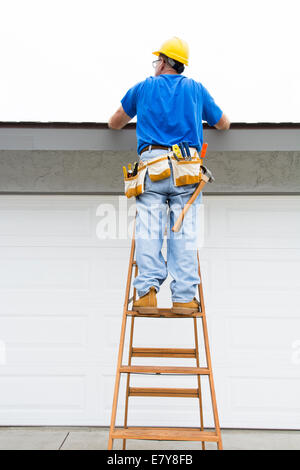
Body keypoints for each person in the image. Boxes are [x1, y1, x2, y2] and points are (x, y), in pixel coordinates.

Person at [108, 37, 230, 313]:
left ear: (164, 61)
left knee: (149, 229)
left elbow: (114, 122)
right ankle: (185, 298)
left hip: (153, 165)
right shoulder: (196, 90)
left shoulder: (144, 88)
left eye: (157, 60)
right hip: (186, 167)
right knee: (184, 232)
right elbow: (223, 123)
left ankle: (146, 293)